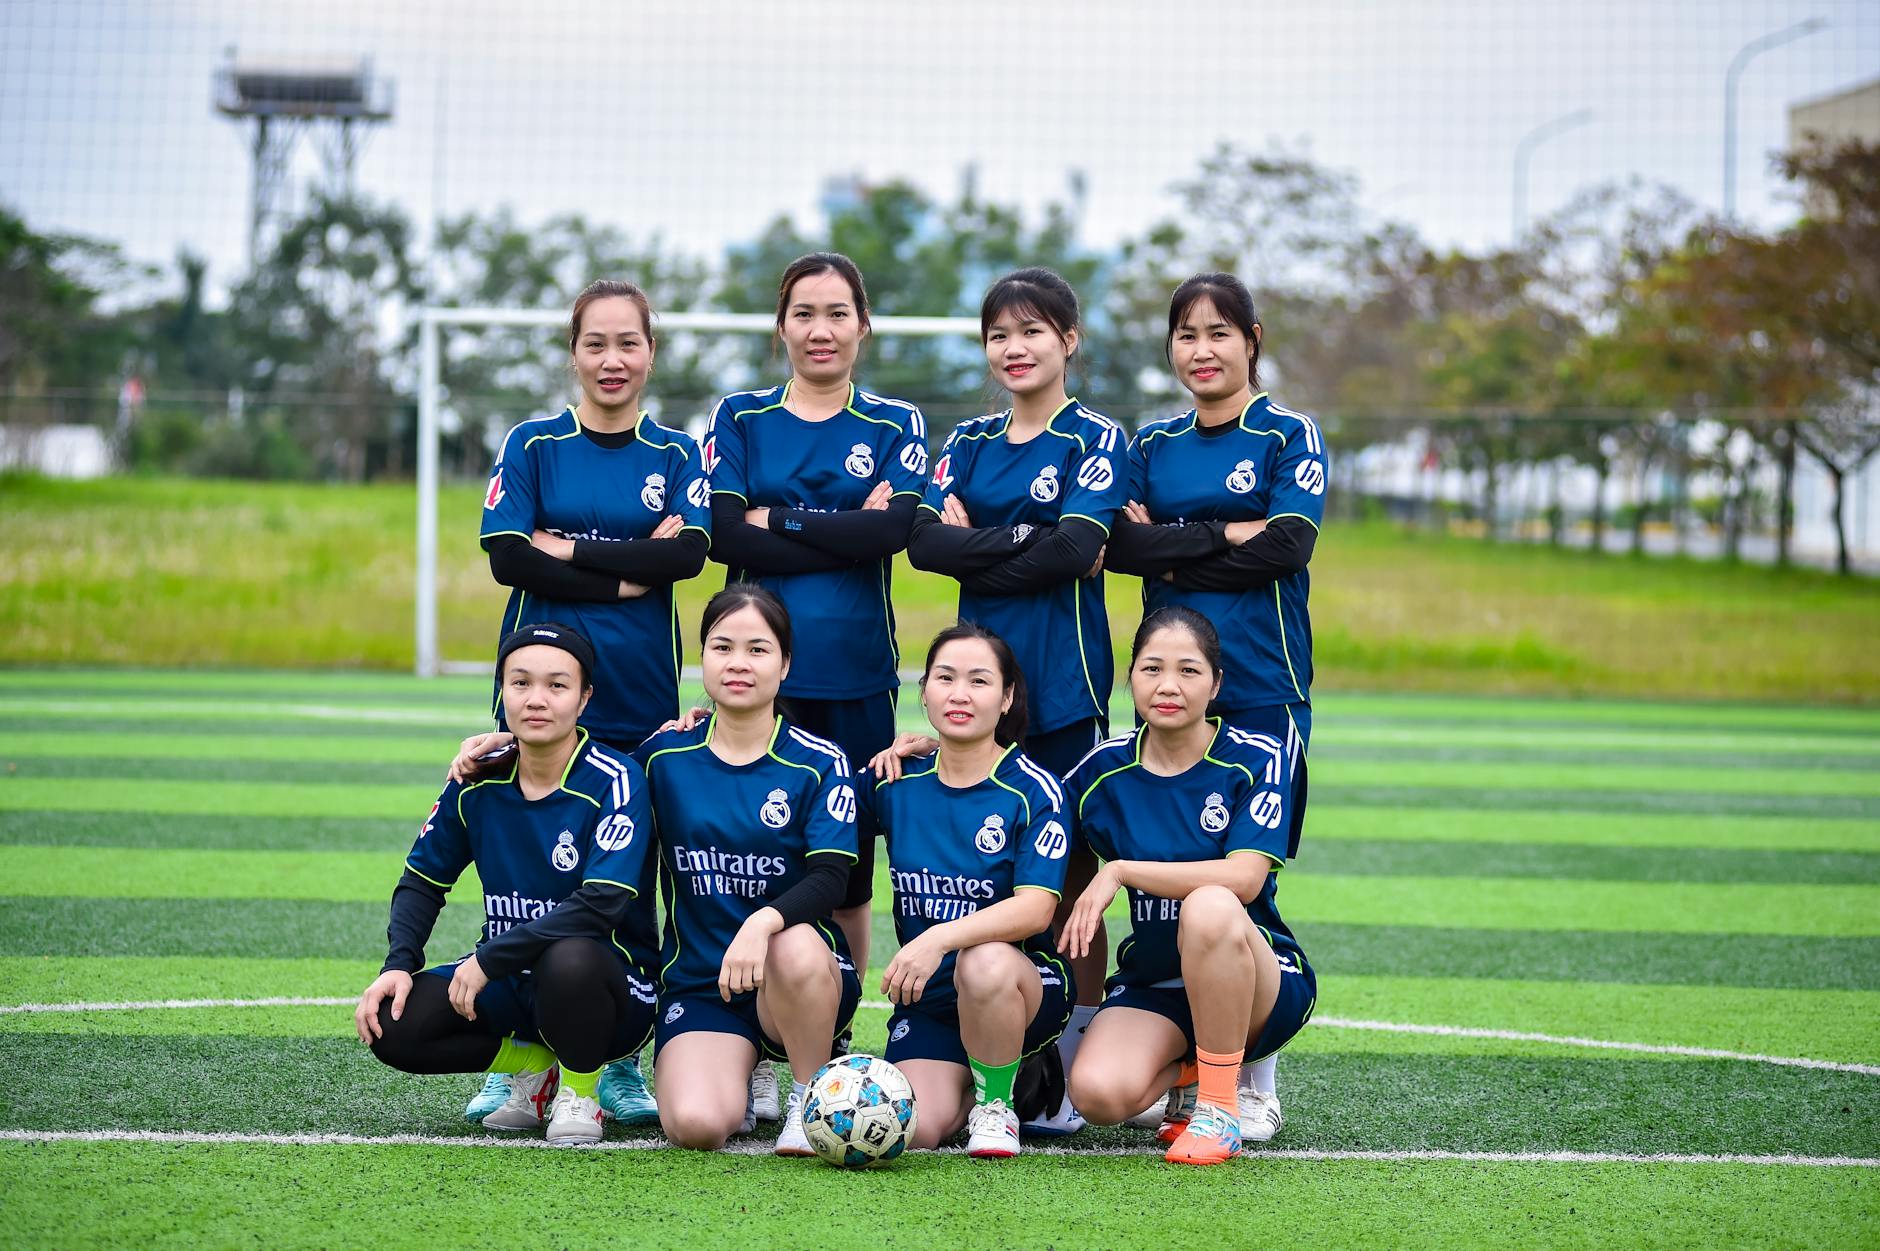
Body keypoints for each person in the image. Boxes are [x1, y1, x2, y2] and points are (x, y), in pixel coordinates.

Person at [468, 279, 707, 1125]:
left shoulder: (677, 452)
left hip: (639, 699)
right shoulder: (533, 443)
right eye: (595, 343)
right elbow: (508, 556)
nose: (612, 359)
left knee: (630, 881)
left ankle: (618, 1059)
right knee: (523, 869)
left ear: (651, 352)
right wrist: (625, 571)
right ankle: (520, 1057)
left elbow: (687, 558)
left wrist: (565, 548)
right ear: (573, 352)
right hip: (539, 695)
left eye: (628, 342)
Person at [702, 252, 926, 1121]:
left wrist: (782, 518)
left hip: (857, 673)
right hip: (757, 677)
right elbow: (726, 535)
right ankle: (761, 1038)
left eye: (838, 313)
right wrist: (840, 523)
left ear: (863, 325)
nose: (821, 330)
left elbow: (893, 535)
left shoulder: (896, 419)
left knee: (850, 864)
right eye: (804, 313)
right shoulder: (741, 416)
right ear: (781, 325)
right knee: (760, 850)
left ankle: (832, 1040)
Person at [1105, 272, 1327, 1139]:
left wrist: (1174, 547)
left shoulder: (1287, 433)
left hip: (1263, 685)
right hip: (1167, 690)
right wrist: (1228, 531)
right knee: (1171, 856)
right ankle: (1182, 1055)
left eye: (1219, 332)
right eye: (1186, 334)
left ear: (1252, 340)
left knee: (1243, 876)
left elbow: (1288, 544)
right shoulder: (1154, 443)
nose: (1202, 350)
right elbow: (1121, 545)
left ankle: (1254, 1078)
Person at [901, 267, 1123, 1132]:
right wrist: (1030, 537)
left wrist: (980, 542)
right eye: (999, 334)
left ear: (1069, 339)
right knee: (982, 865)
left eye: (1033, 331)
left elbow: (1076, 551)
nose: (1015, 348)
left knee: (1071, 878)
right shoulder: (966, 440)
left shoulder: (1096, 438)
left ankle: (1071, 1057)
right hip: (975, 691)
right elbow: (924, 545)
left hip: (1062, 689)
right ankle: (978, 1045)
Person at [355, 623, 659, 1147]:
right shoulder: (476, 779)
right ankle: (534, 1067)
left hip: (610, 991)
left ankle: (581, 1091)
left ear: (584, 698)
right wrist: (398, 964)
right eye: (520, 683)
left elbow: (600, 905)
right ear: (502, 693)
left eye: (557, 685)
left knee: (569, 956)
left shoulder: (616, 778)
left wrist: (488, 960)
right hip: (513, 979)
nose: (536, 699)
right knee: (392, 1022)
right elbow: (422, 881)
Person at [1060, 607, 1315, 1166]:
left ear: (1216, 684)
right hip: (1156, 982)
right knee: (1097, 1095)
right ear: (1131, 678)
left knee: (1210, 904)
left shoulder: (1254, 757)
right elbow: (1028, 808)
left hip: (1258, 978)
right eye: (1151, 669)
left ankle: (1220, 1107)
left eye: (1188, 671)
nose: (1168, 685)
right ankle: (1192, 1071)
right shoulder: (1102, 771)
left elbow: (1244, 878)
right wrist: (950, 754)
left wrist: (1121, 870)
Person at [634, 584, 864, 1154]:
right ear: (702, 659)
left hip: (795, 975)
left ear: (785, 665)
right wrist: (505, 746)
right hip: (702, 983)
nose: (738, 663)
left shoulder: (819, 761)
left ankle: (809, 1099)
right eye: (722, 647)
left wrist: (763, 922)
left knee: (794, 944)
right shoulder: (663, 757)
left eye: (758, 650)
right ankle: (739, 1073)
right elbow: (585, 781)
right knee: (696, 1126)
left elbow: (831, 879)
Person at [859, 623, 1073, 1157]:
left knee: (983, 960)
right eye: (945, 678)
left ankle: (997, 1104)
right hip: (930, 1002)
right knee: (914, 1131)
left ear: (1006, 698)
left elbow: (1036, 909)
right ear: (925, 691)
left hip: (1017, 985)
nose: (960, 694)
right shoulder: (896, 781)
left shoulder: (1033, 791)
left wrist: (939, 939)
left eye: (979, 681)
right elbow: (809, 797)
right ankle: (990, 1079)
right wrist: (708, 725)